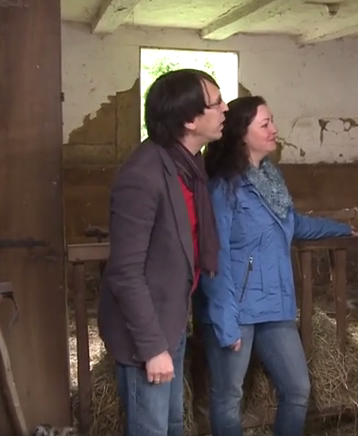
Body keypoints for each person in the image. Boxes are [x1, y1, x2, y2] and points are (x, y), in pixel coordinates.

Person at [198, 95, 356, 436]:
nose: (275, 129)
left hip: (275, 304)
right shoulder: (223, 188)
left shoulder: (271, 178)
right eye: (265, 124)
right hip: (236, 308)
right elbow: (214, 255)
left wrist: (341, 228)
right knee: (228, 398)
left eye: (272, 122)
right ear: (242, 134)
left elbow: (291, 224)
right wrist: (225, 319)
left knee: (297, 390)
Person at [98, 68, 227, 436]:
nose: (225, 109)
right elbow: (125, 272)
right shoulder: (143, 174)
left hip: (169, 321)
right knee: (151, 429)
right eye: (216, 103)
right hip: (145, 335)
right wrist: (154, 348)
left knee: (170, 425)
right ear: (189, 119)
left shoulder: (186, 166)